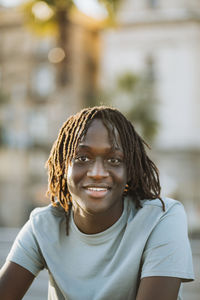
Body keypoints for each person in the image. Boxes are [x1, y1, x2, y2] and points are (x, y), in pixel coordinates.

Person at [0, 106, 194, 300]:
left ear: (130, 169)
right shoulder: (43, 225)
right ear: (62, 166)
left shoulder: (162, 218)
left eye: (114, 160)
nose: (97, 172)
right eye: (82, 158)